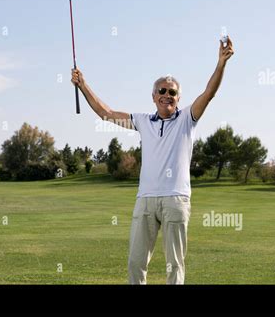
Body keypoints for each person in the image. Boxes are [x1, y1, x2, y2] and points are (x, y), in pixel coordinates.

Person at [71, 37, 235, 284]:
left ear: (178, 98)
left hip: (175, 199)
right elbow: (105, 113)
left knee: (174, 266)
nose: (167, 95)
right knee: (136, 264)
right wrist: (83, 85)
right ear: (153, 96)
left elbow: (209, 93)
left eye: (173, 92)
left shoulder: (186, 119)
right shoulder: (143, 121)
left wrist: (221, 63)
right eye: (162, 91)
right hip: (145, 199)